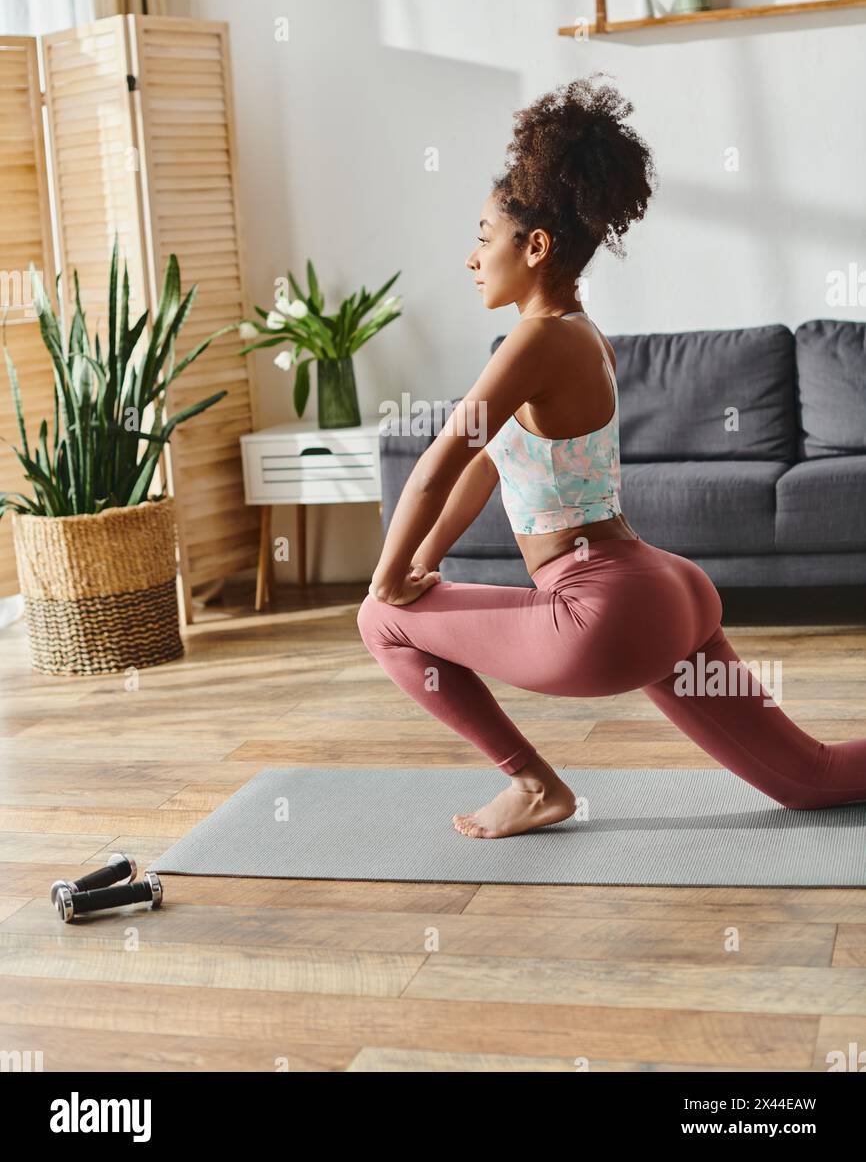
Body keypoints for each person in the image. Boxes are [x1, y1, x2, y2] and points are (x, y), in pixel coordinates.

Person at [356, 74, 866, 839]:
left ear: (534, 246)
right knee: (810, 778)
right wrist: (424, 560)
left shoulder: (533, 340)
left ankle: (532, 784)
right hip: (669, 591)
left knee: (377, 620)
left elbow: (436, 463)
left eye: (484, 235)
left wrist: (388, 578)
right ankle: (531, 784)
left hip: (601, 614)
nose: (472, 256)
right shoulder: (580, 334)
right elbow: (485, 467)